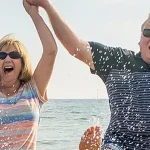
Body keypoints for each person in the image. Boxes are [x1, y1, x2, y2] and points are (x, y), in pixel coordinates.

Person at [27, 0, 150, 149]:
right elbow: (76, 46)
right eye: (148, 32)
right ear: (140, 40)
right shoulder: (119, 60)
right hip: (116, 145)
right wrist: (46, 5)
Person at [0, 0, 57, 149]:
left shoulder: (33, 89)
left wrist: (34, 13)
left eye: (14, 54)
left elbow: (51, 50)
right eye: (2, 55)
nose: (7, 58)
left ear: (23, 62)